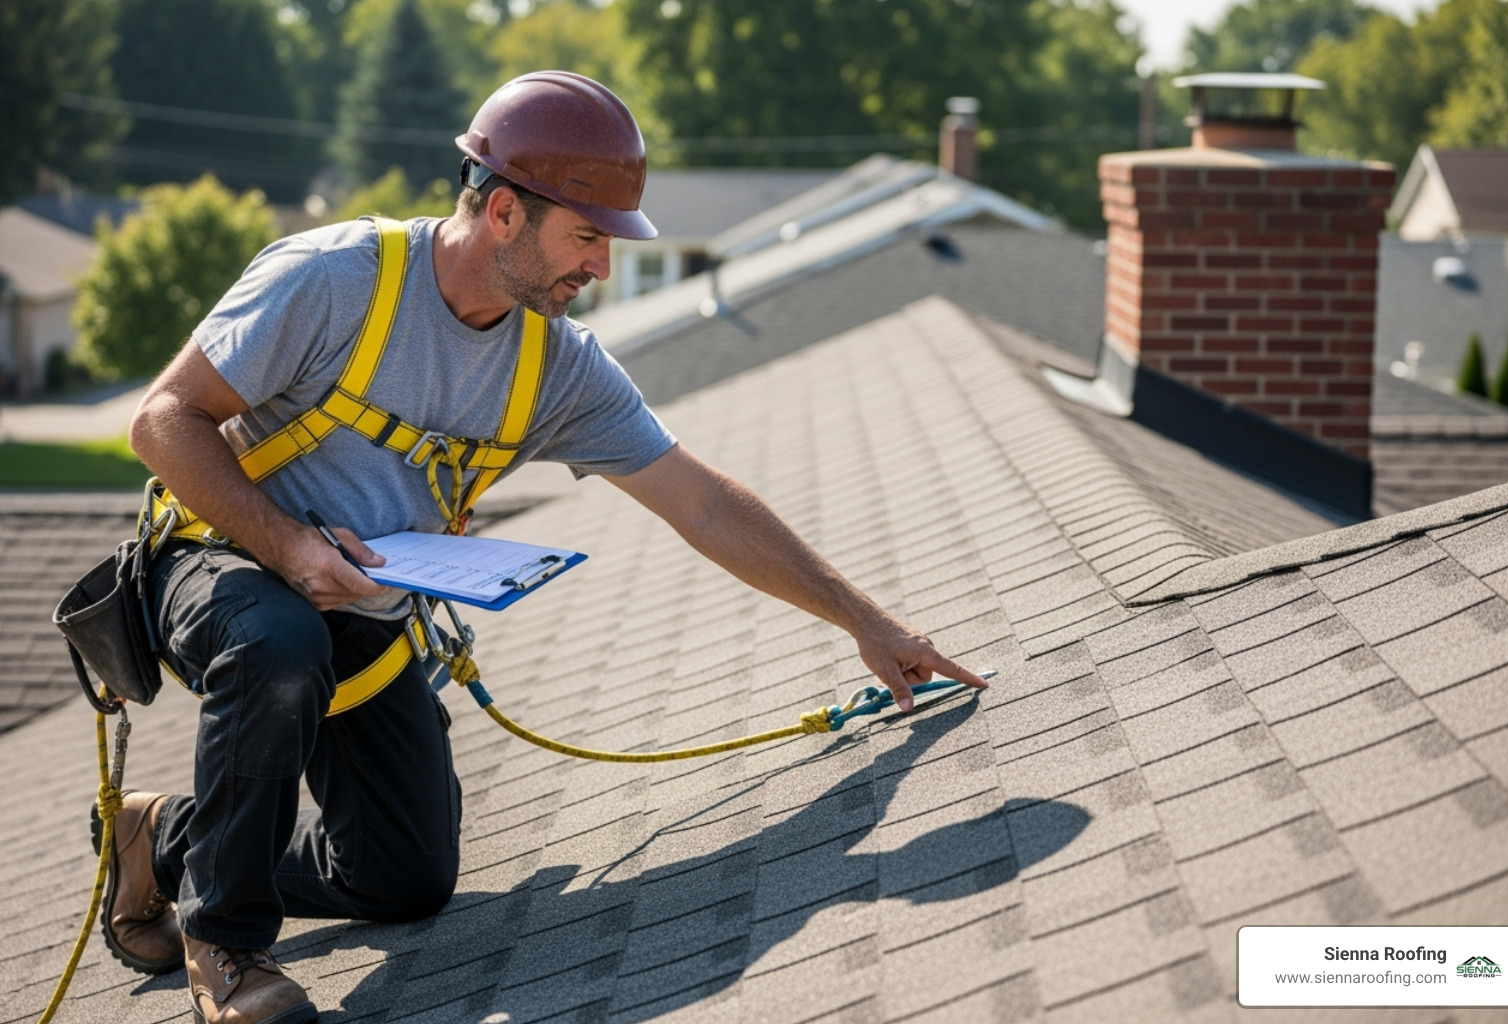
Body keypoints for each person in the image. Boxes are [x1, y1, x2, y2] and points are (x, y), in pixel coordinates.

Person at [114, 71, 987, 1024]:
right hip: (223, 554)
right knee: (280, 643)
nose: (601, 269)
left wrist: (867, 622)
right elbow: (163, 422)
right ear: (501, 212)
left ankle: (161, 841)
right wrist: (284, 545)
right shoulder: (331, 282)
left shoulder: (556, 365)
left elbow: (703, 505)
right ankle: (229, 952)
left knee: (402, 879)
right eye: (586, 239)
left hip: (360, 602)